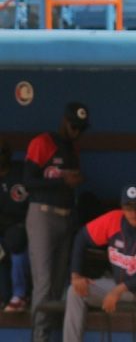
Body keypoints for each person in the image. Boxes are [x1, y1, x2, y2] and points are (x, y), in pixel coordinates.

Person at [63, 183, 136, 342]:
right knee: (75, 291)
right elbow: (81, 238)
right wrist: (76, 275)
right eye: (128, 208)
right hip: (120, 286)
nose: (134, 213)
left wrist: (120, 289)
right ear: (122, 207)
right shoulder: (113, 219)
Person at [24, 102, 89, 341]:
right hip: (42, 214)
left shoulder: (73, 148)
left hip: (65, 215)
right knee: (44, 280)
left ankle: (51, 333)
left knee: (60, 281)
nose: (77, 132)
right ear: (64, 120)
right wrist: (63, 182)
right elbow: (28, 181)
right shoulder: (42, 142)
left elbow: (71, 181)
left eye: (81, 128)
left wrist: (76, 180)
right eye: (74, 126)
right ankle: (39, 335)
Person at [0, 140, 30, 312]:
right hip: (2, 230)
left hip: (22, 226)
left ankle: (20, 294)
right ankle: (4, 295)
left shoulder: (20, 172)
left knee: (16, 248)